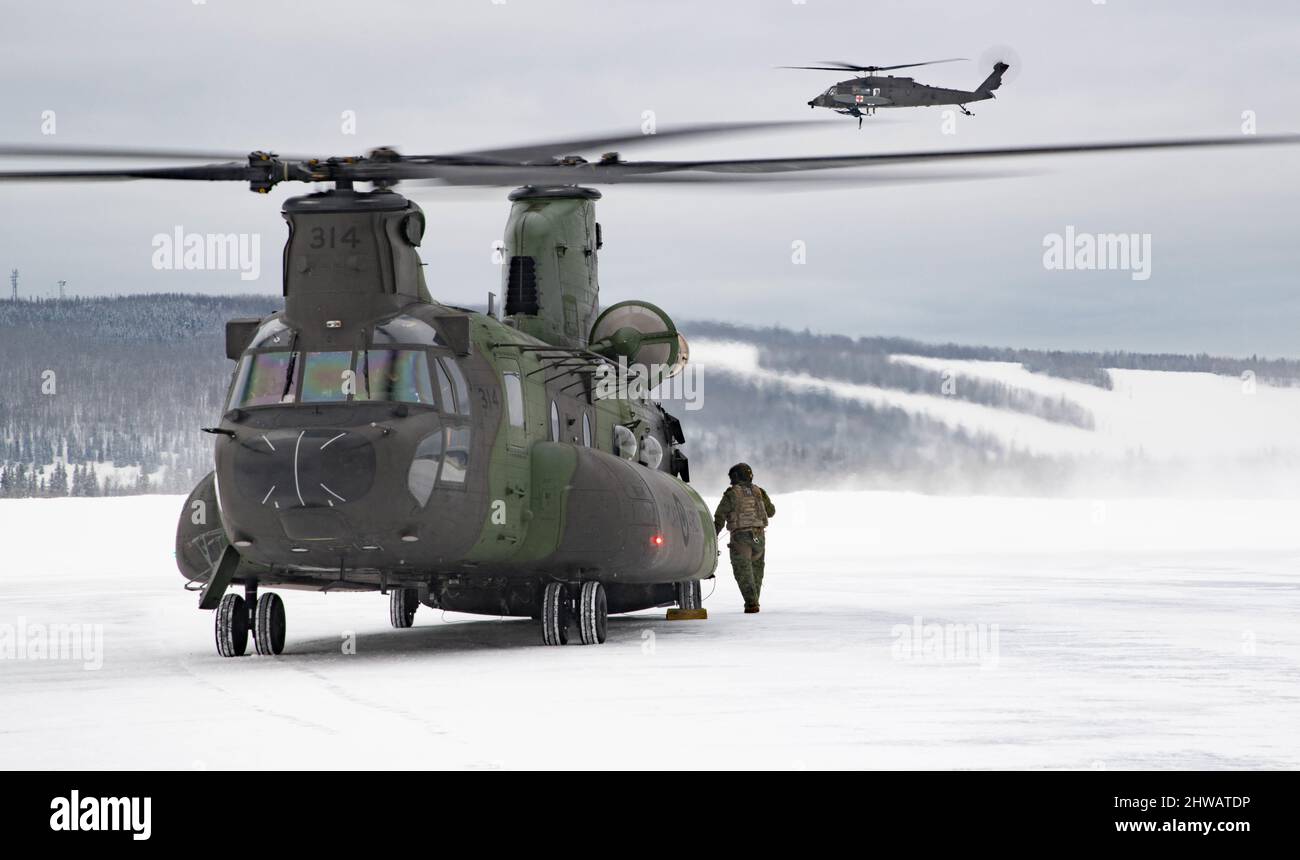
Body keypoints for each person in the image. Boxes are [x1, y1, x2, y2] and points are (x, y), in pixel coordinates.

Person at [713, 462, 775, 613]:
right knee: (756, 573)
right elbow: (771, 511)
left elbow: (720, 516)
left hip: (740, 539)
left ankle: (752, 604)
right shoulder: (759, 491)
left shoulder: (731, 493)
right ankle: (754, 603)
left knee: (743, 573)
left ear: (735, 477)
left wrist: (713, 536)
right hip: (759, 538)